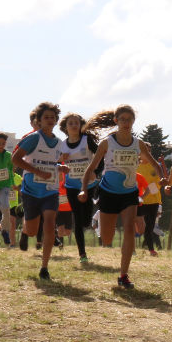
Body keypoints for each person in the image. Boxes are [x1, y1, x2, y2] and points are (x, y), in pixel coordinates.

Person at [77, 105, 161, 289]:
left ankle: (124, 275)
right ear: (116, 121)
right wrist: (84, 189)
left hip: (129, 192)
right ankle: (103, 222)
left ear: (133, 122)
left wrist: (163, 178)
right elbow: (90, 169)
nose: (126, 123)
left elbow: (155, 165)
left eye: (129, 120)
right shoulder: (107, 143)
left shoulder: (138, 144)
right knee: (107, 239)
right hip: (108, 193)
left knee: (129, 228)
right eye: (122, 119)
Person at [12, 102, 71, 280]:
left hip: (50, 190)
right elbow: (16, 159)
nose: (50, 120)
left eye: (52, 117)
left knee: (50, 223)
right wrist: (38, 172)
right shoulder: (33, 139)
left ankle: (44, 267)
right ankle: (24, 232)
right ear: (39, 120)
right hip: (31, 190)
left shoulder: (59, 143)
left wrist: (61, 169)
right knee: (31, 230)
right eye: (46, 117)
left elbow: (52, 164)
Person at [59, 112, 101, 263]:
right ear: (65, 127)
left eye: (76, 122)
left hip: (89, 184)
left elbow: (100, 155)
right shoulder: (62, 145)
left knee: (85, 221)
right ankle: (82, 254)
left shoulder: (86, 140)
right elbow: (54, 162)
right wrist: (60, 160)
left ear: (81, 125)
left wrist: (95, 172)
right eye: (70, 123)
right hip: (72, 185)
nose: (74, 125)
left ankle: (86, 222)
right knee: (77, 218)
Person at [136, 157, 163, 257]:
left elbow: (160, 182)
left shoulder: (156, 166)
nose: (147, 154)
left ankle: (151, 250)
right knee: (139, 228)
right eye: (144, 151)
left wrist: (147, 192)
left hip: (153, 201)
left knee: (150, 226)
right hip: (140, 202)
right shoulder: (136, 166)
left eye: (148, 151)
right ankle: (133, 247)